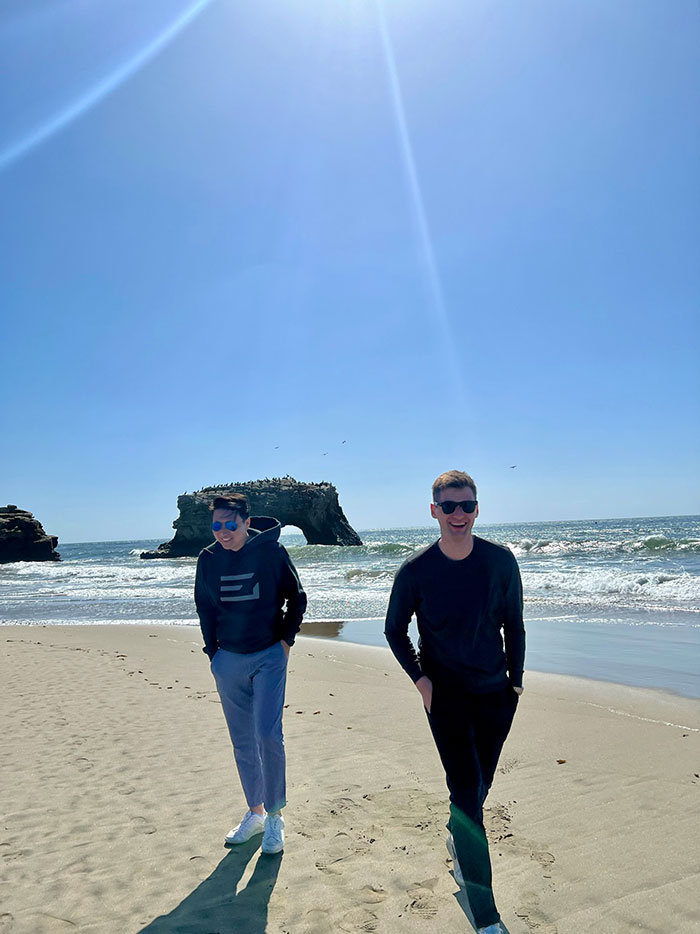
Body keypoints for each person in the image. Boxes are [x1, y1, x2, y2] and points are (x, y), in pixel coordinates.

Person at [384, 470, 525, 934]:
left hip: (495, 694)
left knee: (479, 787)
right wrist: (422, 682)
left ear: (477, 509)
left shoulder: (501, 562)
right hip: (444, 698)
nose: (458, 515)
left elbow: (515, 627)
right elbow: (394, 630)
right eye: (449, 507)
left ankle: (459, 829)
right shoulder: (416, 570)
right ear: (434, 511)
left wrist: (516, 685)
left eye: (466, 506)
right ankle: (485, 917)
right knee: (467, 796)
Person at [194, 493, 307, 855]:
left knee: (267, 735)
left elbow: (297, 597)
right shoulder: (208, 559)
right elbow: (205, 607)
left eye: (230, 524)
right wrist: (213, 653)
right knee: (242, 740)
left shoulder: (271, 552)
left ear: (246, 522)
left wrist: (286, 642)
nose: (223, 532)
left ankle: (275, 817)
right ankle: (255, 813)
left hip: (269, 656)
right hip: (228, 660)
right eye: (216, 525)